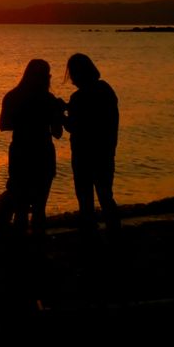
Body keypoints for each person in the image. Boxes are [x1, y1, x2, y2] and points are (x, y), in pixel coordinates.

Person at [0, 59, 65, 240]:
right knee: (39, 207)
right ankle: (37, 247)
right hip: (43, 153)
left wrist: (23, 120)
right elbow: (57, 133)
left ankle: (20, 249)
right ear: (46, 77)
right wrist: (57, 113)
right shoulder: (49, 100)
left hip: (20, 153)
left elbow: (3, 125)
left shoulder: (12, 96)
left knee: (20, 208)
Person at [63, 52, 119, 240]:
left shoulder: (79, 97)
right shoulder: (106, 90)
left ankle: (89, 234)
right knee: (105, 195)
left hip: (83, 154)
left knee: (85, 197)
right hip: (105, 151)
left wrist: (61, 116)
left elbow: (74, 126)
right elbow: (101, 119)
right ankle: (114, 232)